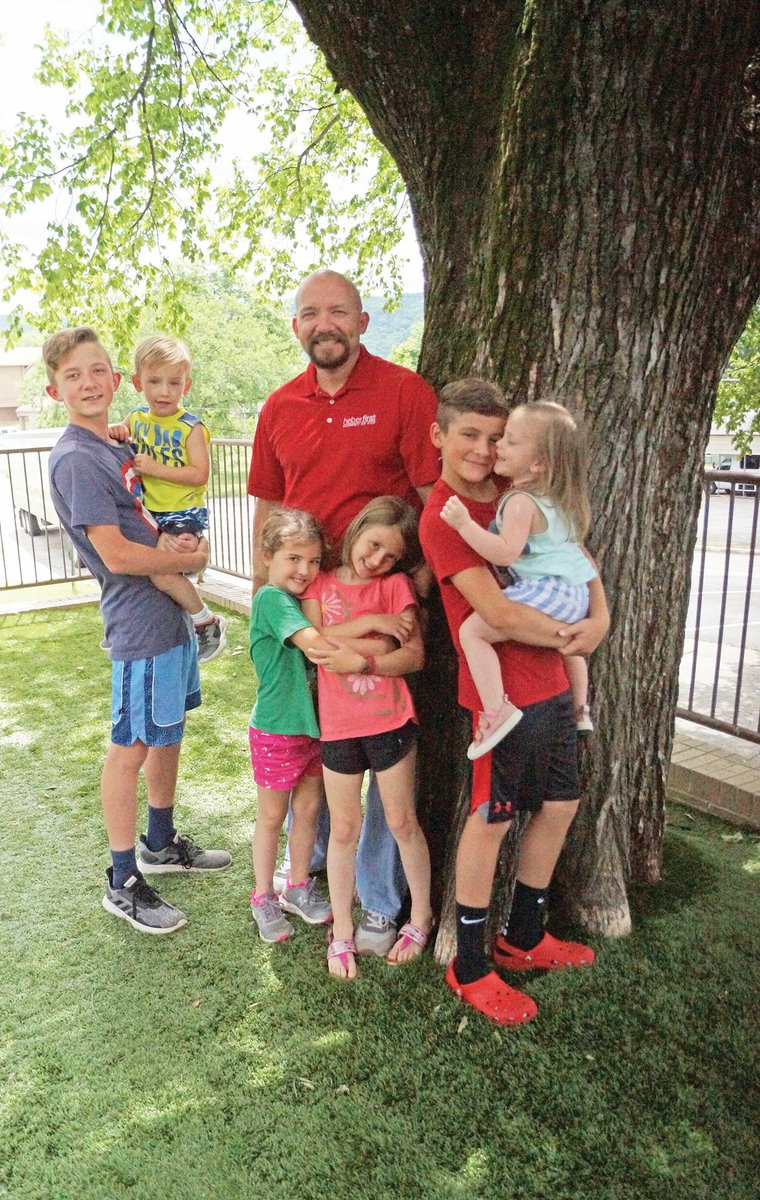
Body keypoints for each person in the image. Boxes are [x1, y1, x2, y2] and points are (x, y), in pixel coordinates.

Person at [247, 268, 440, 955]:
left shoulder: (403, 393)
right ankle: (320, 876)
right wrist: (265, 594)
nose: (323, 324)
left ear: (361, 322)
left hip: (381, 602)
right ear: (296, 326)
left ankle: (383, 900)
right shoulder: (279, 406)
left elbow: (432, 496)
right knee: (322, 747)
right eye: (309, 314)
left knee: (382, 736)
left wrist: (413, 585)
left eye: (337, 312)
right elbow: (268, 508)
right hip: (307, 606)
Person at [419, 378, 609, 1025]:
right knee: (493, 816)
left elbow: (579, 559)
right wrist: (569, 633)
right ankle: (469, 964)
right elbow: (494, 610)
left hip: (556, 684)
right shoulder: (443, 517)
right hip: (499, 700)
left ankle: (524, 937)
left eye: (495, 437)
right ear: (440, 436)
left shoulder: (518, 491)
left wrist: (600, 621)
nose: (482, 448)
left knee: (561, 802)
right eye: (468, 434)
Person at [45, 326, 232, 936]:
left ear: (116, 380)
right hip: (137, 621)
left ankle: (158, 840)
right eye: (73, 376)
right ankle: (122, 879)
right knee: (131, 746)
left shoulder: (116, 445)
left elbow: (164, 495)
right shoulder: (75, 458)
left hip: (170, 616)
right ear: (55, 390)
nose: (88, 383)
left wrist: (185, 551)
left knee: (167, 731)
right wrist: (186, 562)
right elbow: (119, 556)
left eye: (97, 370)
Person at [302, 497, 432, 979]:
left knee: (401, 822)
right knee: (343, 830)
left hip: (390, 722)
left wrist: (362, 658)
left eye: (391, 556)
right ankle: (341, 932)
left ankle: (419, 916)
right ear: (357, 530)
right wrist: (375, 632)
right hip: (338, 727)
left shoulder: (397, 587)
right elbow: (312, 643)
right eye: (374, 545)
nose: (377, 561)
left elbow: (413, 656)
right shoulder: (320, 583)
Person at [440, 401, 596, 759]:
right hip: (574, 593)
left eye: (509, 441)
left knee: (473, 632)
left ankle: (496, 710)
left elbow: (506, 552)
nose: (498, 447)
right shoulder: (556, 500)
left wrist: (465, 525)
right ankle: (580, 708)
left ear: (538, 463)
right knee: (566, 642)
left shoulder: (520, 502)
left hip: (547, 590)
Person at [108, 335, 227, 664]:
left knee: (163, 573)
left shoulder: (190, 428)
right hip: (149, 512)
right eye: (154, 381)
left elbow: (200, 474)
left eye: (174, 383)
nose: (164, 391)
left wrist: (157, 469)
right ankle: (124, 627)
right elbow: (122, 434)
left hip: (182, 512)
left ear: (186, 386)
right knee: (131, 563)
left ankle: (206, 620)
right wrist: (116, 430)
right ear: (137, 383)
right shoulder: (136, 419)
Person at [248, 507, 334, 943]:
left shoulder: (301, 601)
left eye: (314, 561)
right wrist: (374, 626)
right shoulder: (271, 599)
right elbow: (315, 645)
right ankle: (263, 894)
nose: (305, 570)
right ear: (268, 557)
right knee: (271, 816)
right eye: (294, 559)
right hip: (277, 730)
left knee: (309, 812)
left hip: (312, 730)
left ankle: (297, 886)